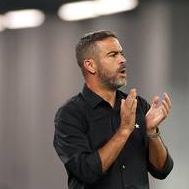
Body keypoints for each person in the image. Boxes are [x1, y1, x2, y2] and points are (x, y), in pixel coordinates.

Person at [53, 30, 173, 189]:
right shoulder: (70, 114)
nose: (123, 60)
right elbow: (87, 171)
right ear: (90, 65)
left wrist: (151, 132)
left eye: (121, 54)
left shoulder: (138, 106)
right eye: (113, 55)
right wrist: (124, 131)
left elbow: (162, 170)